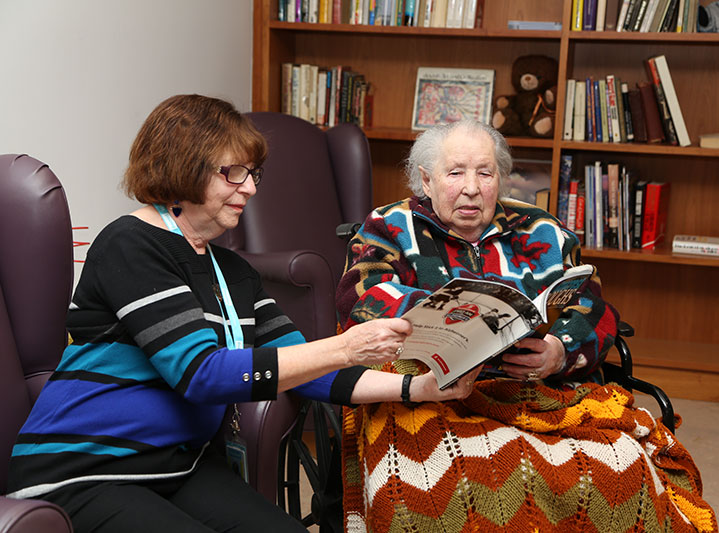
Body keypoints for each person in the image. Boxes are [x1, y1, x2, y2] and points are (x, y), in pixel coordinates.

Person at [5, 94, 475, 533]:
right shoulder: (130, 244)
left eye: (253, 173)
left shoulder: (232, 270)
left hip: (176, 465)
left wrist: (416, 387)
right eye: (234, 173)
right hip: (83, 472)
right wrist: (345, 345)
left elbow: (308, 367)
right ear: (183, 168)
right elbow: (199, 374)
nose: (250, 188)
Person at [335, 119, 718, 532]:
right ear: (426, 180)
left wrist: (558, 350)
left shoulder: (539, 229)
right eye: (455, 172)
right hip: (433, 393)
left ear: (500, 178)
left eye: (485, 172)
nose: (471, 187)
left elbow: (592, 305)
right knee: (458, 480)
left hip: (536, 390)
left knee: (622, 468)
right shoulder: (390, 226)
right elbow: (362, 298)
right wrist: (449, 317)